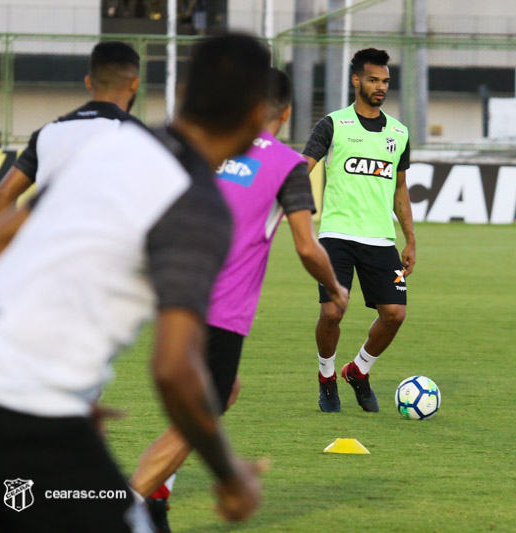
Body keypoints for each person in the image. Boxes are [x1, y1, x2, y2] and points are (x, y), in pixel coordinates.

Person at [0, 32, 271, 533]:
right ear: (258, 115)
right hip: (24, 417)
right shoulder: (197, 204)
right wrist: (230, 475)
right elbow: (175, 369)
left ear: (185, 90)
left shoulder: (116, 147)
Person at [131, 68, 350, 532]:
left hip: (174, 298)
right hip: (222, 312)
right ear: (286, 113)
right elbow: (308, 247)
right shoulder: (287, 164)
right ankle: (124, 508)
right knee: (200, 415)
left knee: (219, 396)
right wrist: (334, 289)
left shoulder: (206, 146)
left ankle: (156, 495)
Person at [0, 40, 141, 294]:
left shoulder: (48, 132)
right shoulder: (135, 134)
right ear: (134, 83)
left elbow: (2, 196)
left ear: (89, 82)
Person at [302, 48, 416, 413]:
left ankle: (359, 370)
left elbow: (400, 189)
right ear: (356, 80)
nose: (380, 87)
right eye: (373, 80)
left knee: (395, 314)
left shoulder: (399, 133)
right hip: (336, 235)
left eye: (385, 81)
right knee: (333, 311)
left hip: (381, 237)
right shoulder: (333, 124)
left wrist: (410, 238)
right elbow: (303, 167)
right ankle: (326, 376)